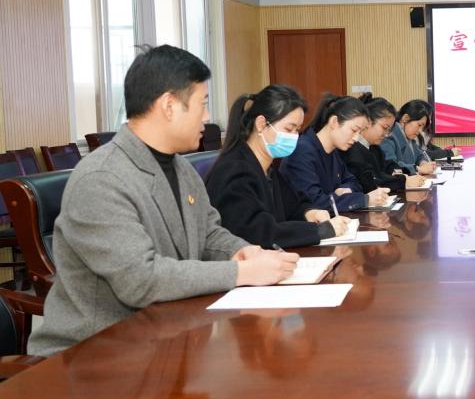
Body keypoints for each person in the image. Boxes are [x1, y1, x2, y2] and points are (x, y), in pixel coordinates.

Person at [28, 45, 297, 357]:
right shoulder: (102, 178)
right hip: (97, 352)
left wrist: (241, 251)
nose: (207, 117)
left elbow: (209, 232)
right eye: (202, 104)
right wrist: (241, 273)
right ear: (169, 105)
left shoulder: (180, 167)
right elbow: (140, 280)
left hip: (167, 336)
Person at [206, 85, 354, 249]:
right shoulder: (234, 170)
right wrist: (320, 231)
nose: (294, 137)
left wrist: (310, 213)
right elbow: (256, 232)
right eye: (288, 129)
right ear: (261, 124)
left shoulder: (269, 168)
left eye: (297, 130)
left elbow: (294, 205)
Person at [280, 94, 391, 212]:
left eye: (360, 132)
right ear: (334, 122)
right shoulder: (302, 151)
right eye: (354, 130)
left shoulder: (333, 150)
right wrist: (364, 199)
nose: (356, 138)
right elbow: (314, 202)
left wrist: (346, 189)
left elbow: (354, 182)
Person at [342, 97, 426, 193]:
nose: (386, 134)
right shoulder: (352, 149)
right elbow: (371, 182)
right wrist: (404, 181)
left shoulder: (374, 147)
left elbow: (388, 166)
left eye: (389, 130)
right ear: (368, 122)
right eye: (384, 128)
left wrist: (398, 172)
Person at [381, 99, 436, 175]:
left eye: (422, 127)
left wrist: (423, 163)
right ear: (405, 118)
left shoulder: (409, 137)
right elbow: (391, 166)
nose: (420, 131)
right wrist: (418, 169)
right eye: (419, 125)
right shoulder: (389, 136)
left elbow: (420, 156)